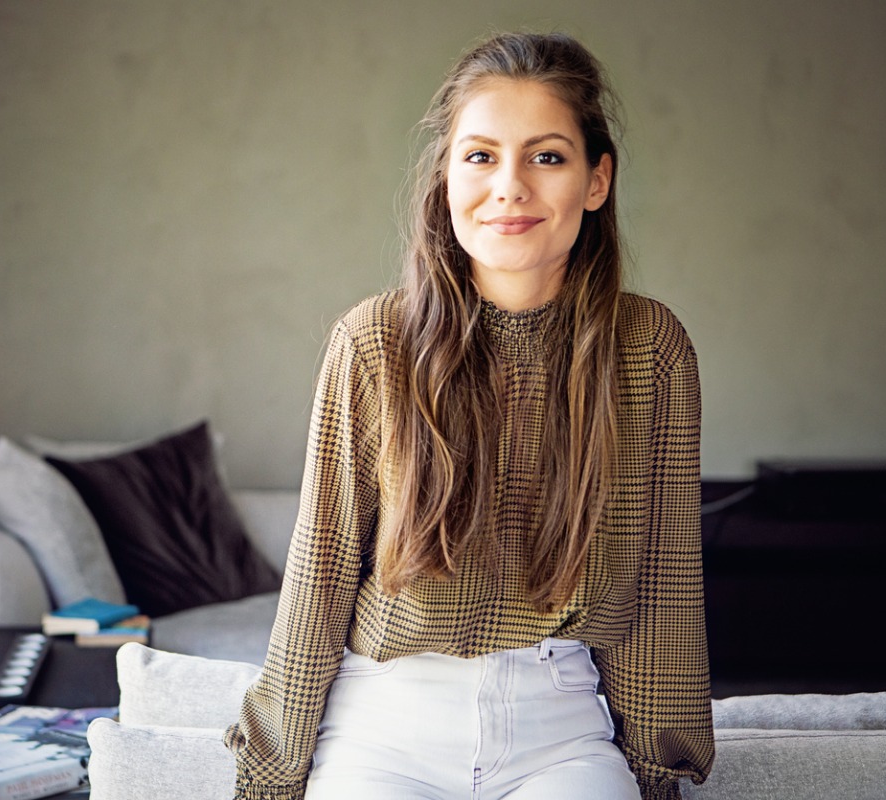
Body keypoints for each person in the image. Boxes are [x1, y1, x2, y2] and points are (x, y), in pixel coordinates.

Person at [224, 31, 714, 800]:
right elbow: (320, 570)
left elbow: (664, 584)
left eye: (546, 156)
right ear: (446, 178)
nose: (510, 187)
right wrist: (273, 777)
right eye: (480, 156)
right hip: (384, 725)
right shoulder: (373, 341)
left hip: (559, 731)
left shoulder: (649, 348)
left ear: (597, 180)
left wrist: (657, 772)